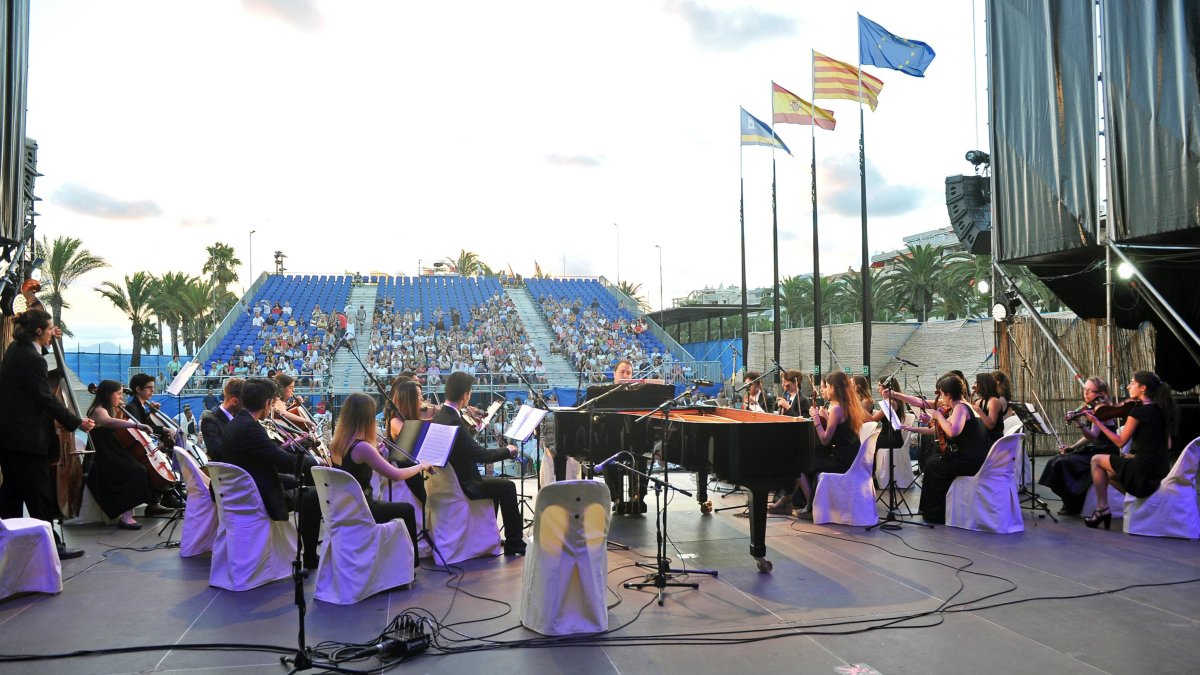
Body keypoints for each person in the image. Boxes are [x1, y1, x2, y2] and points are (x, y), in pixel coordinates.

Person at [0, 309, 96, 559]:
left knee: (11, 494)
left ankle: (13, 547)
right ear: (38, 330)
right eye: (49, 328)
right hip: (27, 439)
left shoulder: (15, 351)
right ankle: (51, 548)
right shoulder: (33, 359)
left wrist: (49, 340)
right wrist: (76, 422)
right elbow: (45, 398)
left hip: (9, 437)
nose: (53, 331)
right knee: (38, 495)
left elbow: (33, 367)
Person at [220, 377, 322, 568]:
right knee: (314, 495)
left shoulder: (237, 423)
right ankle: (309, 557)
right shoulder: (252, 428)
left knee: (298, 482)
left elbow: (266, 453)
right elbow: (283, 461)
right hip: (257, 494)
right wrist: (316, 462)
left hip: (244, 486)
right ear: (267, 403)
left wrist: (289, 446)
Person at [330, 393, 433, 560]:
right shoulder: (363, 447)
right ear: (366, 418)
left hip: (345, 505)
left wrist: (376, 453)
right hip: (363, 507)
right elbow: (397, 475)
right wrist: (421, 465)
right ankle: (410, 564)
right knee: (407, 509)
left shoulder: (337, 442)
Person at [435, 371, 525, 555]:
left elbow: (463, 446)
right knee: (507, 487)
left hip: (452, 479)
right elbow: (481, 455)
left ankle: (489, 536)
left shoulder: (442, 416)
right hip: (466, 483)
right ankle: (515, 543)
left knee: (497, 486)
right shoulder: (454, 421)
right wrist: (508, 450)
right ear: (465, 395)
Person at [1082, 370, 1178, 529]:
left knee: (1096, 460)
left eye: (1132, 383)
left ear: (1143, 388)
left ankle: (1102, 509)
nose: (1128, 387)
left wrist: (1097, 422)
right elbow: (1166, 445)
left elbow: (1119, 442)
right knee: (1111, 475)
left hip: (1144, 471)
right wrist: (1135, 456)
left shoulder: (1138, 411)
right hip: (1160, 468)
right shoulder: (1162, 409)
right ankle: (1141, 501)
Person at [901, 373, 991, 524]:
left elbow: (952, 431)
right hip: (975, 457)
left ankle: (935, 515)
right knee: (933, 462)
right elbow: (941, 430)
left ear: (949, 395)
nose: (941, 398)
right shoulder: (964, 406)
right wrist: (912, 429)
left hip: (970, 461)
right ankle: (936, 510)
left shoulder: (960, 408)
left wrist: (938, 416)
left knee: (932, 466)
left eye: (942, 395)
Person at [772, 371, 865, 517]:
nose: (824, 390)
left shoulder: (836, 408)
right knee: (808, 459)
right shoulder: (847, 405)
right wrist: (826, 417)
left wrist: (815, 418)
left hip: (841, 460)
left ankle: (810, 507)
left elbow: (825, 439)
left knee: (799, 464)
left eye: (826, 386)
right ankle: (789, 501)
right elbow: (840, 432)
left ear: (833, 388)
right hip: (850, 457)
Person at [84, 380, 158, 529]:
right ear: (107, 394)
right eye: (118, 394)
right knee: (134, 470)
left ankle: (137, 509)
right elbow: (109, 422)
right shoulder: (98, 410)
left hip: (112, 450)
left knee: (138, 468)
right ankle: (126, 516)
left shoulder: (111, 408)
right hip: (102, 455)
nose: (121, 397)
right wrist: (136, 424)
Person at [1038, 377, 1116, 516]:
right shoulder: (1095, 408)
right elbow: (1089, 437)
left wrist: (1079, 423)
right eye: (1084, 389)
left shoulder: (1104, 410)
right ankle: (1069, 500)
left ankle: (1073, 502)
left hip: (1105, 453)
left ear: (1102, 393)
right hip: (1096, 450)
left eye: (1089, 390)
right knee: (1056, 460)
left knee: (1064, 463)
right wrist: (1073, 447)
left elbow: (1093, 436)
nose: (1085, 393)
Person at [125, 373, 184, 510]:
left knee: (168, 453)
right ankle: (161, 498)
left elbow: (146, 422)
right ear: (138, 389)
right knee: (164, 455)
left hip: (147, 444)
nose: (152, 391)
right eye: (149, 388)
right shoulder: (131, 407)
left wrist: (153, 412)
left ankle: (170, 492)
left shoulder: (140, 405)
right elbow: (141, 428)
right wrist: (164, 429)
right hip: (138, 450)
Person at [386, 378, 434, 504]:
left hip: (416, 472)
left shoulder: (408, 420)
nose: (422, 400)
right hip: (408, 480)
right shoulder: (396, 421)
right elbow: (417, 442)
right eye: (418, 396)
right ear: (409, 400)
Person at [200, 377, 244, 461]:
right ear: (234, 401)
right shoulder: (210, 421)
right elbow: (218, 453)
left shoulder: (242, 418)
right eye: (245, 402)